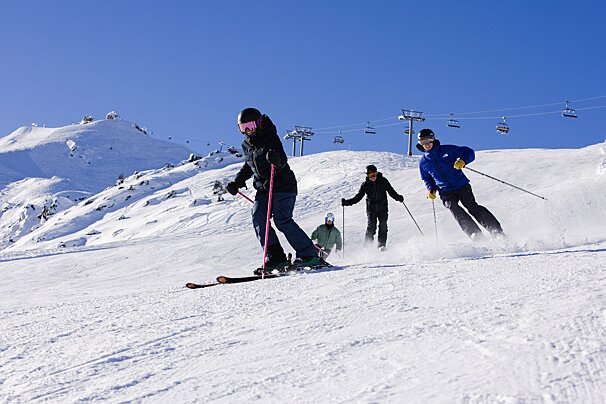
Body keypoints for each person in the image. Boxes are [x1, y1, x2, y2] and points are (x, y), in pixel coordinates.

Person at [226, 107, 324, 274]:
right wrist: (238, 181)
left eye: (249, 126)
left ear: (258, 123)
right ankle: (275, 256)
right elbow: (249, 165)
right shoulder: (246, 144)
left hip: (282, 184)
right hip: (263, 188)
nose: (247, 131)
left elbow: (282, 159)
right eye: (243, 128)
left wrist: (277, 160)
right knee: (259, 218)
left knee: (282, 220)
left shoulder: (270, 136)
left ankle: (309, 254)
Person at [416, 128, 504, 240]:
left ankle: (496, 230)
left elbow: (468, 152)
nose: (426, 144)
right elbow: (427, 178)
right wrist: (431, 189)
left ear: (433, 139)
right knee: (454, 208)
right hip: (445, 191)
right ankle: (475, 235)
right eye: (422, 142)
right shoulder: (423, 162)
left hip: (461, 185)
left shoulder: (446, 150)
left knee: (472, 206)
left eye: (428, 140)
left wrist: (463, 161)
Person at [341, 165, 404, 250]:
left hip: (383, 208)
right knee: (371, 227)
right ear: (367, 175)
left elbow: (391, 191)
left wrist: (398, 197)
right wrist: (347, 202)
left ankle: (381, 246)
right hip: (371, 209)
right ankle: (367, 247)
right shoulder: (365, 185)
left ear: (377, 173)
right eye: (371, 175)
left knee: (383, 226)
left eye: (374, 174)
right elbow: (358, 197)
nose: (373, 177)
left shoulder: (383, 181)